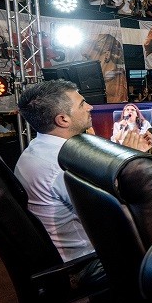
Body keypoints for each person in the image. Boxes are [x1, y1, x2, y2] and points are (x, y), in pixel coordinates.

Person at [13, 80, 106, 286]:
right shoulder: (64, 164)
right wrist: (132, 160)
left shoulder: (36, 149)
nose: (90, 107)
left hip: (60, 256)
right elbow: (113, 214)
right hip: (84, 262)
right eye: (82, 104)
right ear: (63, 119)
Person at [79, 33, 128, 103]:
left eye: (89, 58)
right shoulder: (95, 79)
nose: (87, 63)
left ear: (107, 54)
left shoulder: (118, 81)